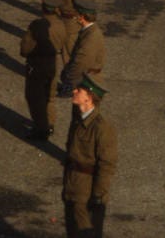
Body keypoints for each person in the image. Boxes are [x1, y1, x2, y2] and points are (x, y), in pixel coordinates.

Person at [63, 73, 117, 238]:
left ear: (89, 97)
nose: (74, 91)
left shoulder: (101, 128)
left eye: (79, 90)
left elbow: (106, 165)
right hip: (72, 188)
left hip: (86, 195)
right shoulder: (78, 121)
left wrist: (98, 198)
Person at [21, 0, 67, 140]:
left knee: (35, 97)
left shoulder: (37, 25)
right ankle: (50, 123)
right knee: (50, 96)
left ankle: (41, 128)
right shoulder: (61, 25)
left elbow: (25, 49)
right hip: (53, 62)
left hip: (37, 64)